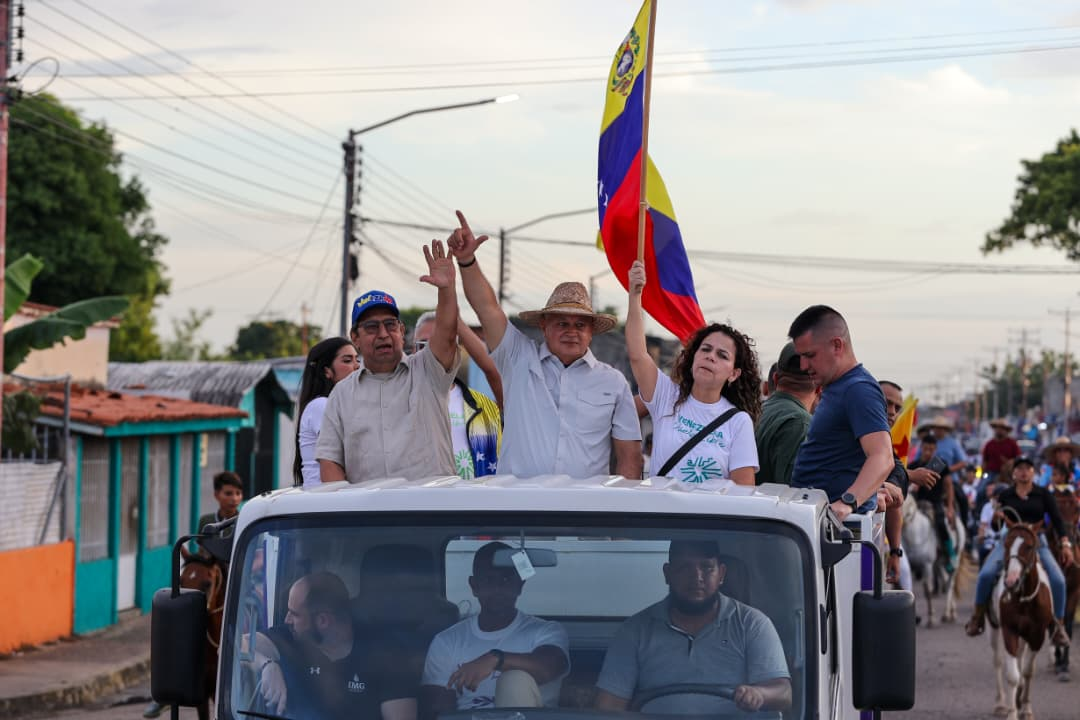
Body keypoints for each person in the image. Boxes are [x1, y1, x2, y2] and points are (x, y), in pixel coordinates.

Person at [446, 211, 641, 479]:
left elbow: (629, 457)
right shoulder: (518, 358)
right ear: (544, 326)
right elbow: (487, 309)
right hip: (519, 509)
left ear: (591, 332)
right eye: (562, 323)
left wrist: (621, 517)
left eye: (580, 324)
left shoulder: (614, 383)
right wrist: (467, 260)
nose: (571, 331)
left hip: (584, 513)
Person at [316, 240, 460, 483]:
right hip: (370, 519)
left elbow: (446, 334)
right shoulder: (341, 395)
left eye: (390, 325)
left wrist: (446, 290)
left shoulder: (427, 371)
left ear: (401, 330)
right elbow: (330, 462)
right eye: (372, 327)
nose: (383, 334)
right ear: (355, 338)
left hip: (432, 514)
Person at [594, 540, 791, 715]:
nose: (696, 577)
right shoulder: (634, 630)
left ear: (721, 574)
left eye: (706, 567)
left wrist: (759, 694)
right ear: (668, 573)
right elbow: (608, 707)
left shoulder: (753, 624)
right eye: (684, 568)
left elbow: (784, 693)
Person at [625, 261, 760, 484]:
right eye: (705, 349)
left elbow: (743, 493)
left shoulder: (738, 422)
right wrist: (635, 295)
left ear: (734, 374)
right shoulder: (666, 395)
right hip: (659, 516)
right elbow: (638, 355)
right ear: (693, 357)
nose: (710, 357)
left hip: (707, 519)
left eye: (722, 355)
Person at [420, 542, 569, 716]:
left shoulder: (546, 632)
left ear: (520, 585)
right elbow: (437, 711)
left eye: (506, 580)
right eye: (488, 580)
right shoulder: (447, 641)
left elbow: (548, 667)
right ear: (474, 586)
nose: (498, 588)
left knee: (514, 680)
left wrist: (495, 659)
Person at [254, 572, 417, 720]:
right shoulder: (291, 637)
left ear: (323, 621)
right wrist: (267, 664)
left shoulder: (385, 654)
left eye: (294, 614)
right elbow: (242, 644)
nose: (287, 620)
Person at [787, 305, 893, 519]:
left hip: (838, 532)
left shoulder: (858, 389)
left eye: (809, 355)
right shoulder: (839, 387)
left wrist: (849, 502)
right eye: (800, 356)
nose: (803, 365)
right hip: (820, 523)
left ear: (837, 345)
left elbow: (883, 456)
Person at [965, 456, 1074, 647]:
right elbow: (997, 527)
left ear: (1033, 473)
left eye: (1028, 468)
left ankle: (1058, 626)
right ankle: (978, 617)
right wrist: (997, 518)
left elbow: (1057, 521)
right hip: (1010, 540)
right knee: (986, 574)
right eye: (1020, 468)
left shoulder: (1043, 494)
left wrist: (1065, 543)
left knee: (1058, 579)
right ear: (1014, 473)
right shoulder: (1006, 495)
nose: (1024, 472)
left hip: (1036, 541)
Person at [413, 312, 502, 479]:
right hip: (420, 502)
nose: (433, 353)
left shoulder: (484, 405)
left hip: (474, 502)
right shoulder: (398, 400)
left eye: (443, 343)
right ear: (413, 350)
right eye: (424, 345)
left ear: (456, 349)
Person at [294, 338, 360, 488]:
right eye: (348, 360)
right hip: (324, 502)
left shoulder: (338, 404)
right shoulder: (321, 405)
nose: (357, 366)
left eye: (357, 360)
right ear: (327, 371)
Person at [755, 342, 816, 486]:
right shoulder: (801, 424)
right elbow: (797, 496)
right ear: (820, 388)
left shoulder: (755, 411)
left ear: (775, 379)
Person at [908, 434, 957, 573]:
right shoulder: (914, 466)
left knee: (941, 523)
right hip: (916, 504)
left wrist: (950, 507)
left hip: (935, 503)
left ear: (935, 449)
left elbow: (949, 485)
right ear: (921, 448)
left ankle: (950, 555)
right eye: (925, 448)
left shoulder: (939, 464)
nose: (928, 452)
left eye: (931, 449)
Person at [198, 470, 243, 536]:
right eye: (228, 493)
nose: (234, 498)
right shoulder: (206, 521)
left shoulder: (244, 522)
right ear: (216, 495)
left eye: (238, 493)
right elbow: (202, 546)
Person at [981, 418, 1020, 485]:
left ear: (1006, 430)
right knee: (981, 491)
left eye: (1002, 428)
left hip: (1008, 474)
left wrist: (1010, 463)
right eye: (997, 428)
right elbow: (985, 461)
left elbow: (1018, 458)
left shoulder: (1012, 444)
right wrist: (983, 473)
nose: (999, 430)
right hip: (992, 473)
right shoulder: (989, 444)